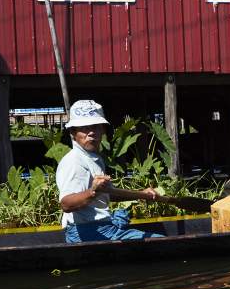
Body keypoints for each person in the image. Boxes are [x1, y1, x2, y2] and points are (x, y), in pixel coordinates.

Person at [56, 99, 162, 243]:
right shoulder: (74, 162)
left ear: (103, 130)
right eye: (84, 128)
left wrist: (142, 194)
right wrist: (93, 191)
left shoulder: (93, 157)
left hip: (101, 225)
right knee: (158, 240)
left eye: (95, 127)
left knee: (122, 215)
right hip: (85, 231)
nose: (91, 132)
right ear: (73, 132)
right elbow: (66, 204)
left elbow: (108, 193)